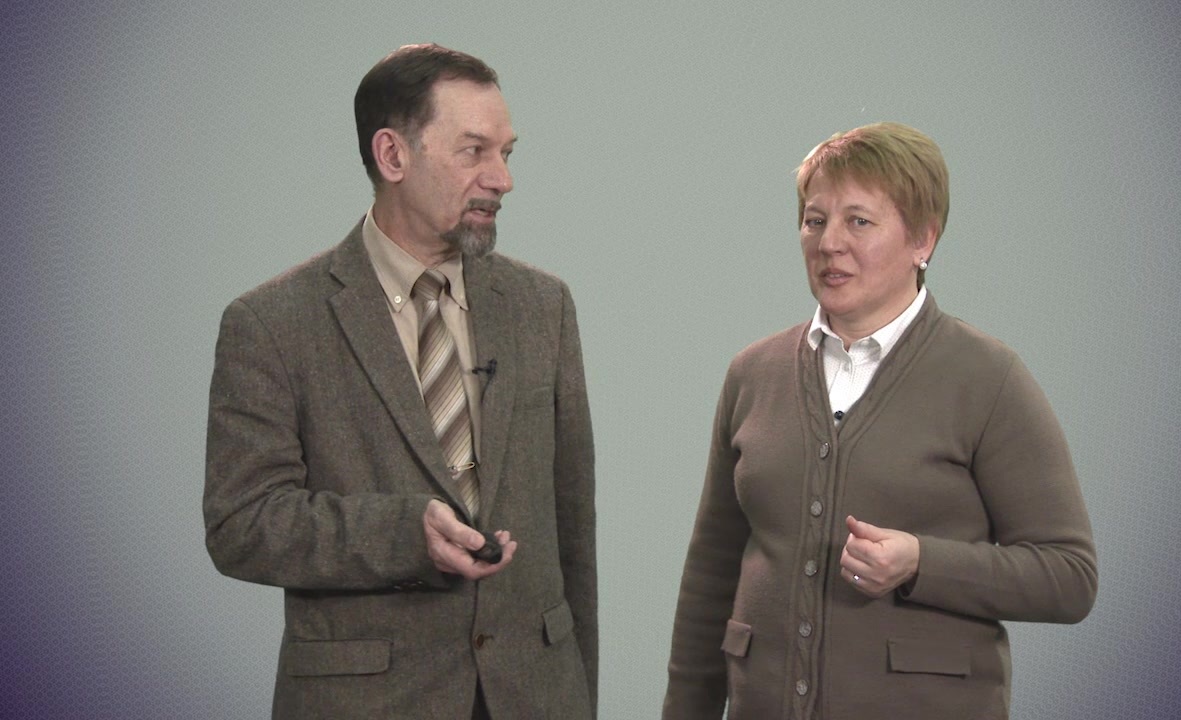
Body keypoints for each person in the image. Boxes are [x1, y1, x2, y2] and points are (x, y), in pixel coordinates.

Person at [204, 44, 596, 720]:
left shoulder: (544, 306)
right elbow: (242, 524)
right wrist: (403, 534)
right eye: (474, 152)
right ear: (392, 156)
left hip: (535, 696)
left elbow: (572, 532)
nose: (502, 179)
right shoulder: (271, 323)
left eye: (507, 153)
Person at [661, 122, 1097, 719]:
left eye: (859, 221)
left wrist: (921, 561)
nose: (829, 243)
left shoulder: (988, 379)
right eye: (815, 221)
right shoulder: (752, 373)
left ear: (923, 239)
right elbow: (711, 573)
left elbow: (1069, 577)